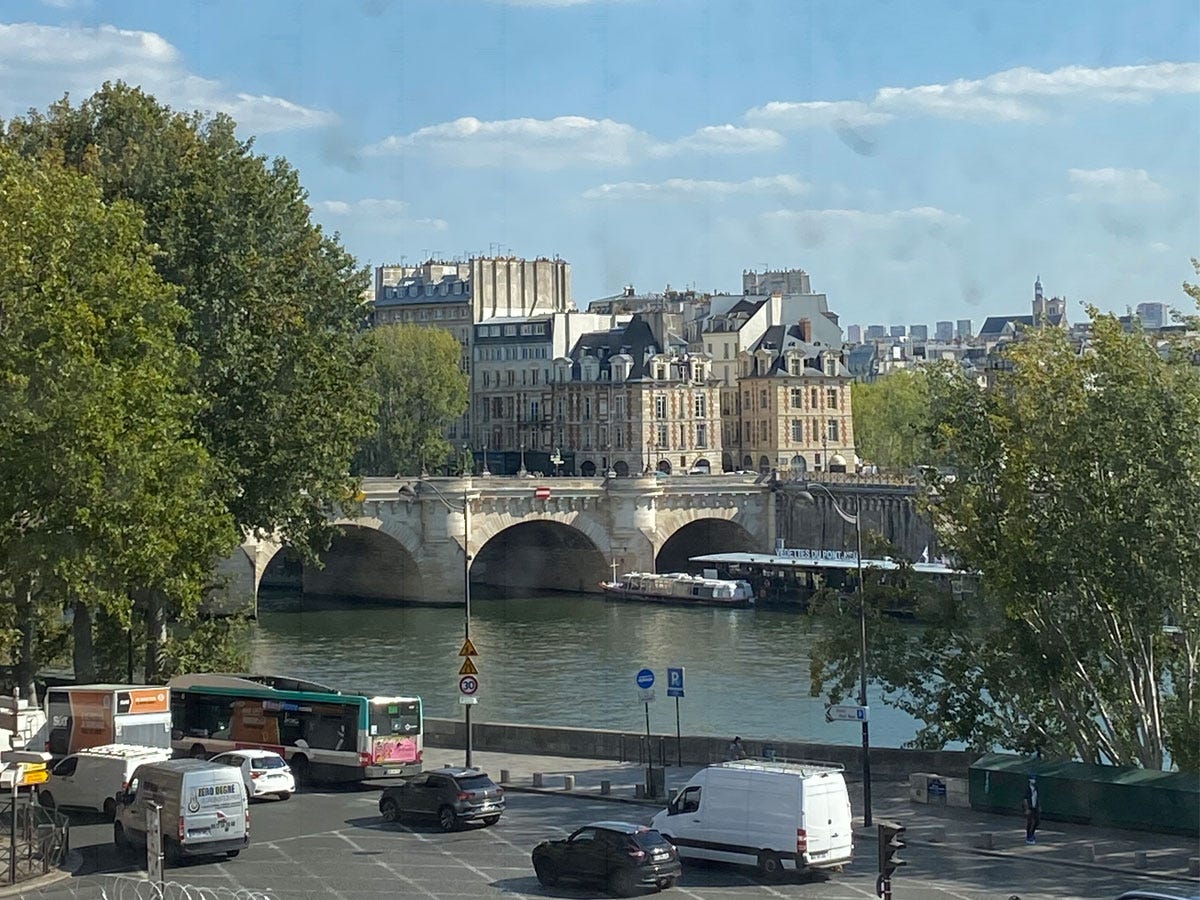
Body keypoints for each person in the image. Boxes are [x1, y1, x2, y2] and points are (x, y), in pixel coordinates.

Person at [1022, 775, 1040, 844]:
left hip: (1035, 807)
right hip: (1029, 807)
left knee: (1037, 821)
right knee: (1030, 822)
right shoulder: (1027, 789)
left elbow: (1037, 797)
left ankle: (1032, 834)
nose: (1033, 781)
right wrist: (1026, 809)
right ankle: (1029, 836)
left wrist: (1039, 806)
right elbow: (1025, 799)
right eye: (1032, 779)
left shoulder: (1036, 788)